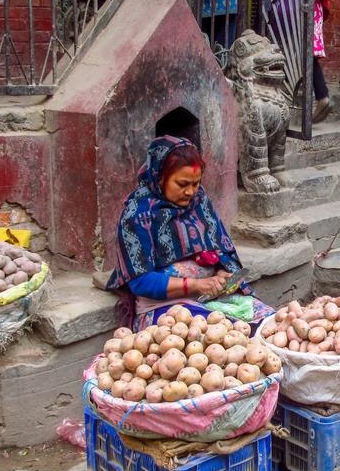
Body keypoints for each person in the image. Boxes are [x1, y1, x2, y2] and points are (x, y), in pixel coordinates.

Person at [106, 136, 274, 329]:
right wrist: (196, 285)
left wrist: (222, 273)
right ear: (159, 177)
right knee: (224, 332)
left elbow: (222, 249)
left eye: (196, 183)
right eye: (182, 184)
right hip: (166, 308)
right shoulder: (138, 215)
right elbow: (140, 281)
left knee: (269, 322)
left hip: (211, 296)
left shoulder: (199, 201)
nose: (191, 192)